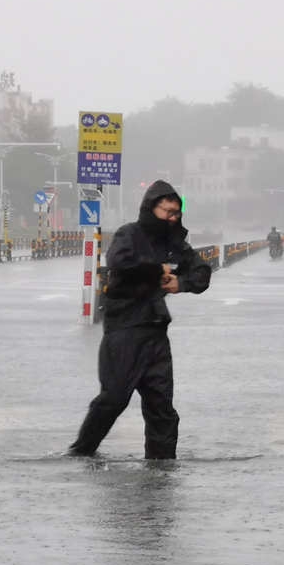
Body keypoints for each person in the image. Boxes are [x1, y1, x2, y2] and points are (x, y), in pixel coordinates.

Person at [68, 180, 211, 459]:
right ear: (150, 207)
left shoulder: (175, 243)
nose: (172, 218)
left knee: (162, 408)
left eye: (176, 213)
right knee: (114, 398)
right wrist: (156, 269)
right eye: (166, 211)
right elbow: (121, 262)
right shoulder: (129, 234)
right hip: (124, 329)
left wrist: (181, 283)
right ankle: (81, 451)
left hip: (156, 331)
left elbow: (202, 271)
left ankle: (161, 465)